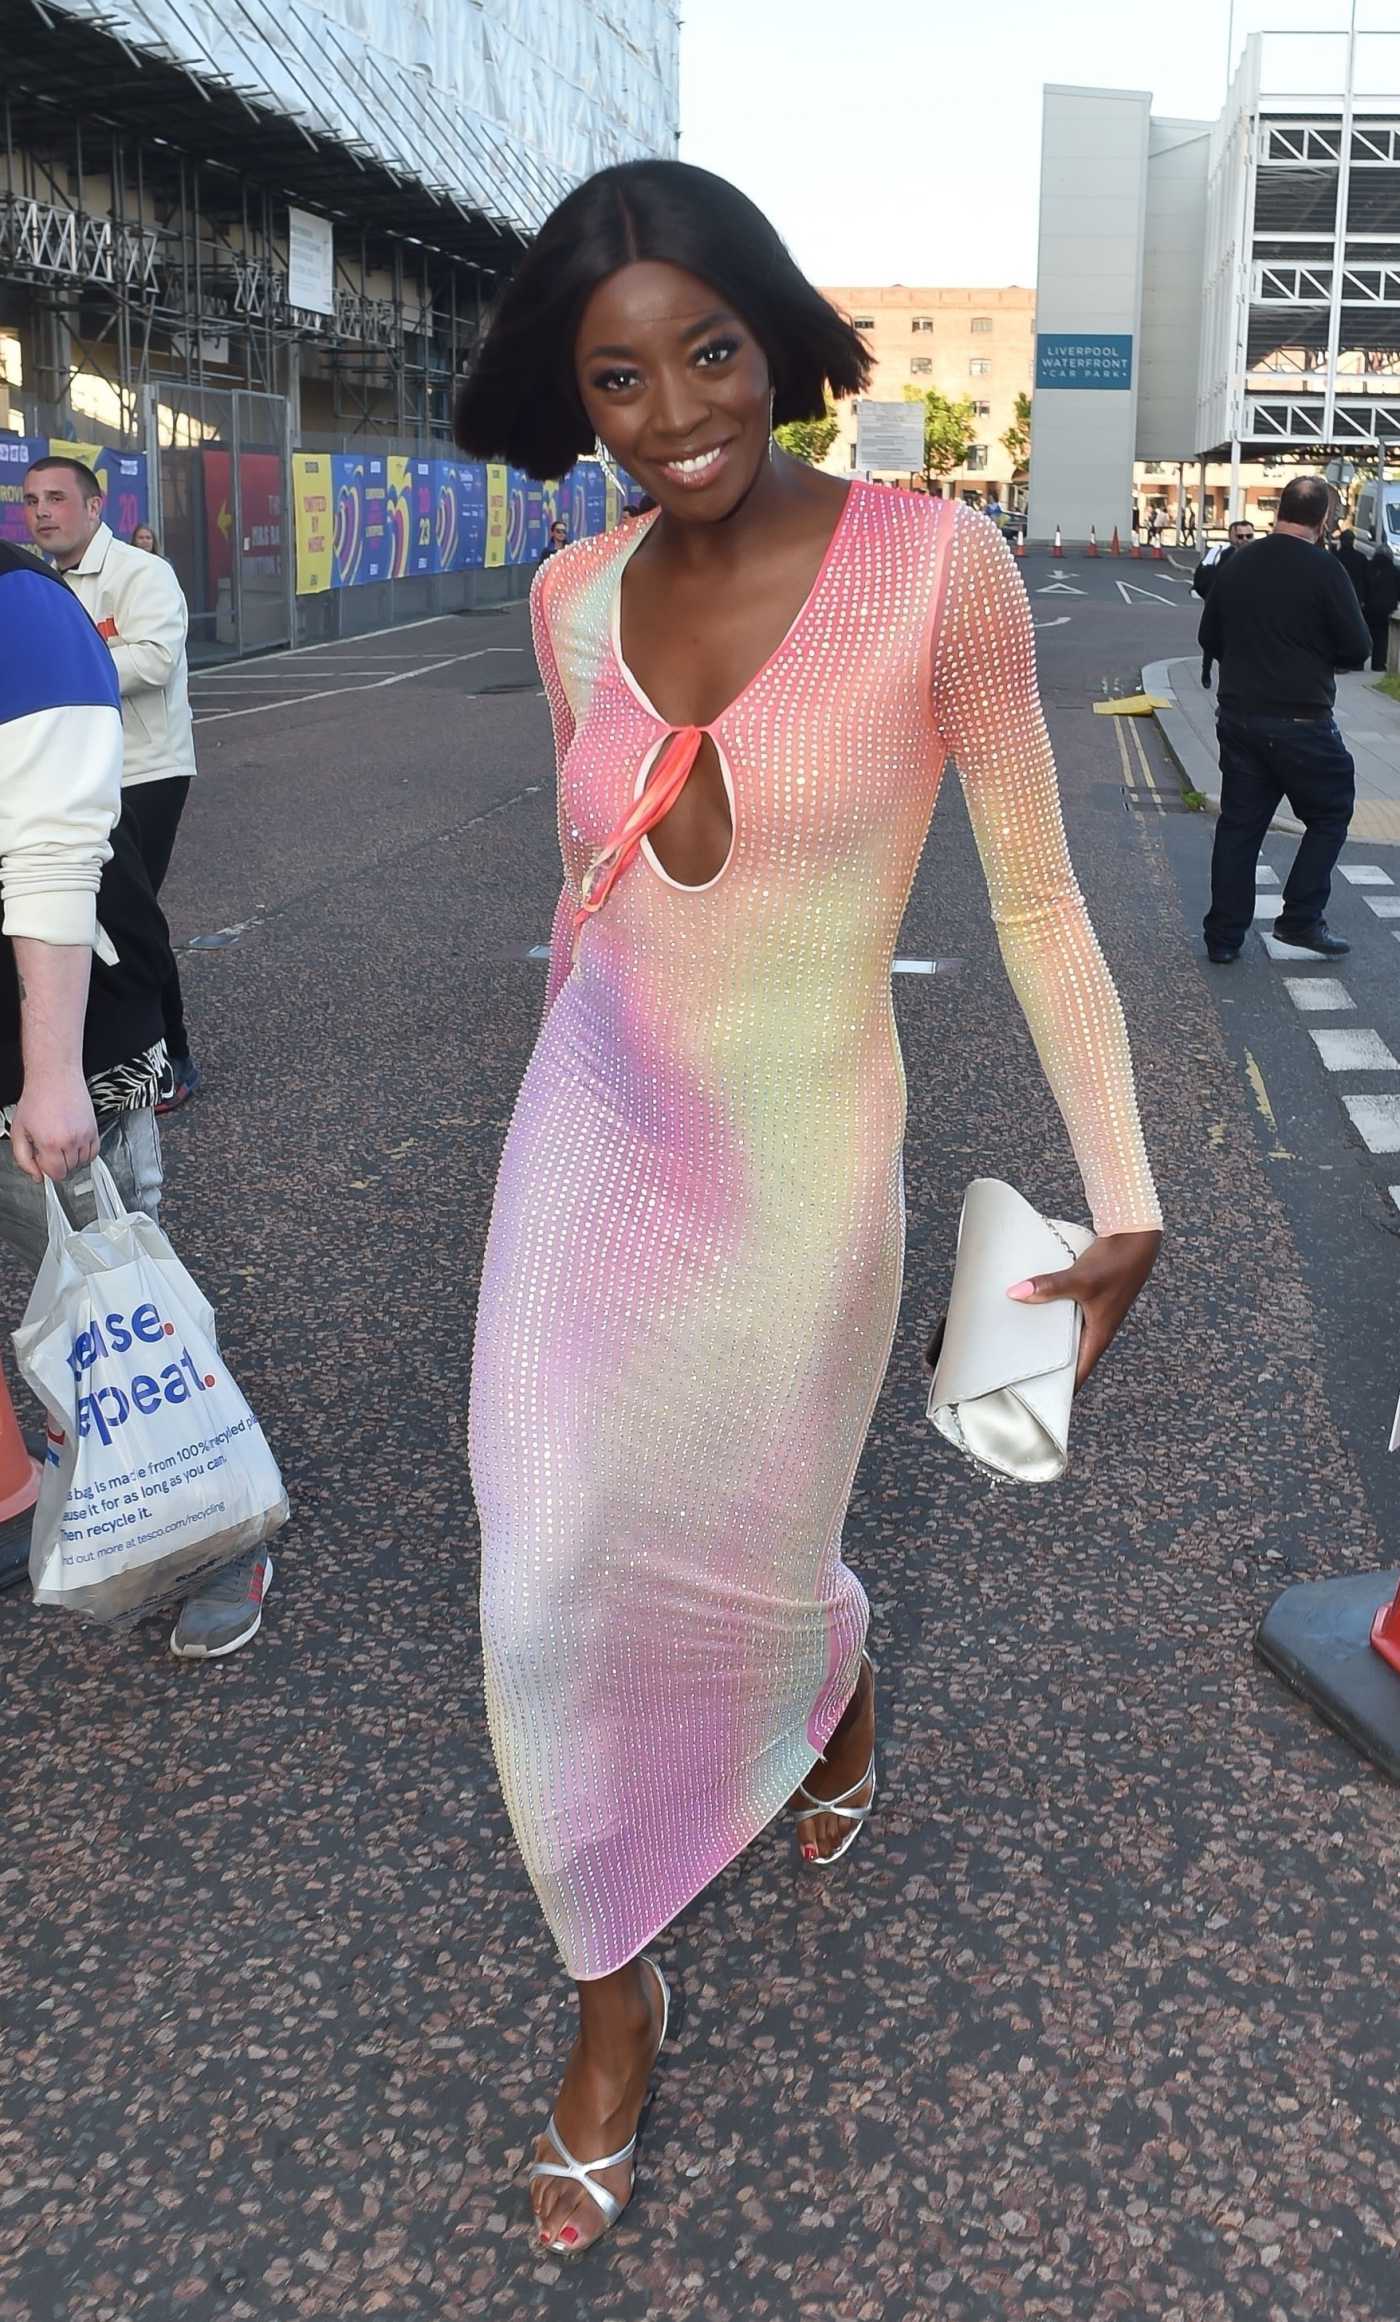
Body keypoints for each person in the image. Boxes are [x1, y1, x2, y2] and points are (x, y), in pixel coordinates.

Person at [455, 157, 1162, 2261]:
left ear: (776, 340)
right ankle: (611, 1990)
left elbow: (1035, 892)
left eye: (707, 351)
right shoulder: (567, 602)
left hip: (802, 1157)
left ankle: (825, 1666)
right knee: (539, 1578)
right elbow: (572, 890)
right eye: (616, 379)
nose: (671, 409)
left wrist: (1123, 1194)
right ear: (571, 403)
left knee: (762, 1549)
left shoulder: (935, 568)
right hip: (593, 1128)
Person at [0, 539, 273, 1654]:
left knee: (108, 1282)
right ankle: (29, 1501)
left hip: (45, 1011)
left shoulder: (20, 606)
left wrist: (50, 1075)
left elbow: (55, 854)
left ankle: (214, 1535)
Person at [22, 459, 200, 1114]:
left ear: (95, 509)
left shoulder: (141, 573)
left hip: (145, 770)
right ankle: (110, 1059)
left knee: (127, 914)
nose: (42, 512)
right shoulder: (39, 582)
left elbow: (155, 659)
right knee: (96, 915)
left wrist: (61, 663)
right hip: (74, 772)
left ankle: (171, 1057)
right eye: (32, 499)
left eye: (58, 499)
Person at [1199, 474, 1372, 965]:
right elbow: (1358, 648)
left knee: (1239, 826)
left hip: (1239, 716)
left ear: (1279, 510)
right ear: (1323, 520)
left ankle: (1224, 939)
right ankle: (1299, 918)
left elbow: (1209, 635)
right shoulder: (1326, 570)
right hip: (1302, 721)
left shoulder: (1237, 562)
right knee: (1329, 814)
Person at [1194, 519, 1255, 689]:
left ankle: (1229, 685)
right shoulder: (1221, 555)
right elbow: (1205, 578)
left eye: (1249, 535)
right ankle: (1206, 671)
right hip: (1219, 607)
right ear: (1231, 537)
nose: (1244, 539)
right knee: (1213, 641)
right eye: (1240, 536)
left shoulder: (1259, 555)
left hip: (1246, 612)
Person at [1363, 542, 1400, 671]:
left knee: (1368, 632)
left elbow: (1364, 586)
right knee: (1383, 636)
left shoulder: (1369, 567)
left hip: (1370, 606)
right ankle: (1379, 664)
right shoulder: (1394, 570)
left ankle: (1361, 661)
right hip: (1387, 608)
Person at [1334, 525, 1368, 605]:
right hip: (1355, 595)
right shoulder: (1361, 558)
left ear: (1341, 540)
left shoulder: (1335, 557)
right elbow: (1366, 579)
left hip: (1338, 594)